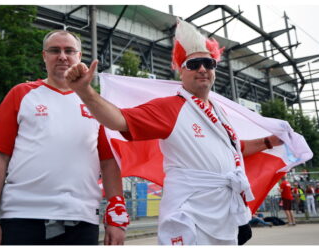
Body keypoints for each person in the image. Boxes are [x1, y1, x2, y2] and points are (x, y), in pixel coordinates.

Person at [64, 19, 283, 245]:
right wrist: (85, 92)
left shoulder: (219, 112)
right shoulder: (170, 108)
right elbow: (118, 120)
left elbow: (236, 150)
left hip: (223, 213)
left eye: (209, 63)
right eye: (194, 64)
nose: (202, 69)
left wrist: (269, 141)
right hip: (190, 214)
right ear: (181, 71)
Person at [0, 30, 129, 245]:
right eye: (55, 50)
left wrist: (116, 219)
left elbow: (109, 162)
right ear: (44, 56)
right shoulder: (21, 94)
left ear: (79, 56)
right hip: (23, 215)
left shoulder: (96, 104)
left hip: (81, 218)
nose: (62, 56)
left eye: (69, 51)